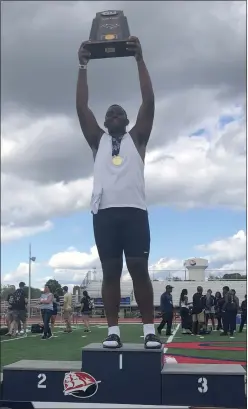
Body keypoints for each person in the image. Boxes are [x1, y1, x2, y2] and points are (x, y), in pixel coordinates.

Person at [76, 36, 160, 349]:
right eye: (109, 112)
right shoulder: (97, 141)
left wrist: (139, 59)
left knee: (139, 267)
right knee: (111, 270)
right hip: (105, 213)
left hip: (135, 211)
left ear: (126, 121)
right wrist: (83, 66)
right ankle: (113, 332)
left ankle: (149, 330)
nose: (113, 114)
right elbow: (81, 107)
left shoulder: (137, 138)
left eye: (118, 112)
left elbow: (149, 102)